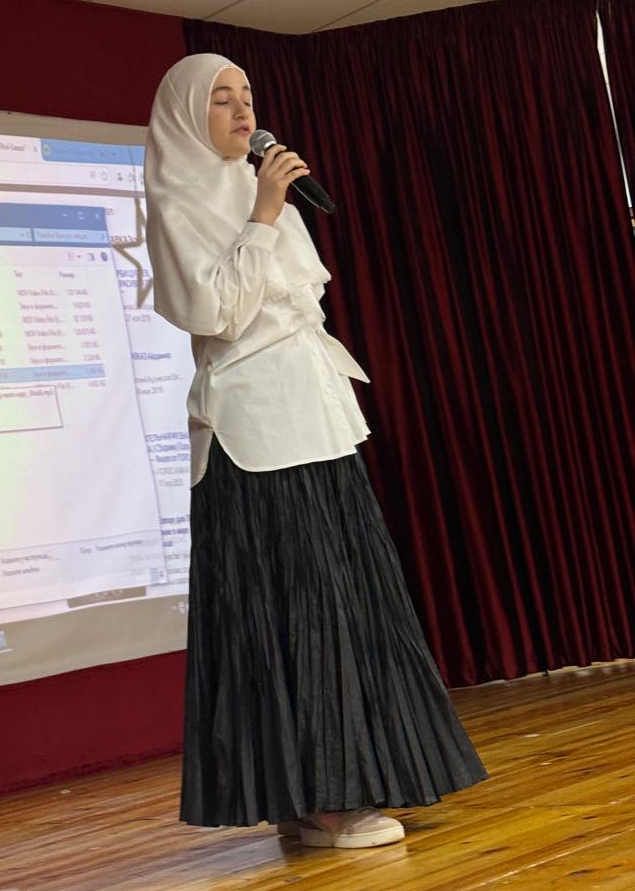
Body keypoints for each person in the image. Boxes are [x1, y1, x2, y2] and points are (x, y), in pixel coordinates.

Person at [144, 53, 488, 850]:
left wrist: (266, 207)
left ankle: (356, 782)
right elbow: (219, 315)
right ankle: (328, 802)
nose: (242, 112)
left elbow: (302, 303)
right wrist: (264, 214)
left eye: (247, 96)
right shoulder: (178, 204)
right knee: (296, 610)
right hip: (255, 433)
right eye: (221, 100)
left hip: (317, 419)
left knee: (352, 601)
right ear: (185, 116)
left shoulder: (258, 190)